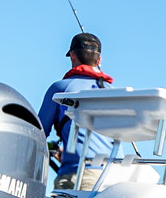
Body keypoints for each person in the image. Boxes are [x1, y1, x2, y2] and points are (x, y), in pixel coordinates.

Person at [38, 32, 114, 188]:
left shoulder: (61, 88)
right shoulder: (113, 92)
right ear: (99, 60)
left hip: (77, 175)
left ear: (72, 55)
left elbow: (37, 132)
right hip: (112, 178)